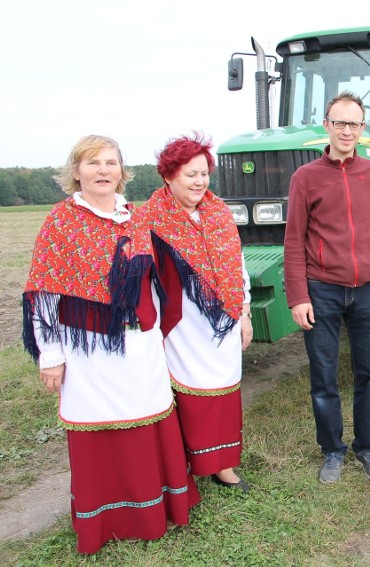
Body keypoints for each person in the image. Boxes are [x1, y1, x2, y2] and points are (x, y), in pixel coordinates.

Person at [21, 135, 199, 554]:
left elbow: (154, 284)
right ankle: (108, 519)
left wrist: (156, 334)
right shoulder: (61, 221)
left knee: (149, 418)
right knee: (100, 428)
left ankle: (155, 510)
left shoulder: (134, 218)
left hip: (139, 346)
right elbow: (45, 294)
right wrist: (51, 356)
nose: (103, 170)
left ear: (122, 171)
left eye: (110, 162)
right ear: (76, 171)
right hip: (90, 351)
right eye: (92, 163)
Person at [284, 91, 370, 485]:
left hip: (369, 290)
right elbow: (293, 240)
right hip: (322, 290)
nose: (346, 130)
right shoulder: (306, 178)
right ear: (326, 125)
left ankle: (367, 448)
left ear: (362, 128)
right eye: (339, 122)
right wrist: (299, 296)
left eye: (354, 123)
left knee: (368, 374)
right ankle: (332, 451)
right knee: (323, 376)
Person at [139, 132, 254, 493]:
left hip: (222, 318)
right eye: (190, 174)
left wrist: (245, 309)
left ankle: (223, 464)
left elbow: (237, 263)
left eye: (204, 173)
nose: (199, 181)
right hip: (180, 324)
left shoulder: (218, 212)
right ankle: (189, 464)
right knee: (187, 393)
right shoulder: (149, 219)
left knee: (225, 388)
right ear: (169, 176)